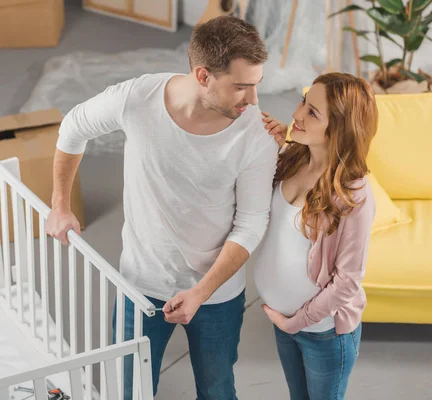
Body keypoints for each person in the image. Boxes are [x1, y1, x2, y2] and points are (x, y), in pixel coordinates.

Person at [46, 15, 279, 400]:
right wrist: (59, 204)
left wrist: (201, 293)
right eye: (241, 87)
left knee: (218, 390)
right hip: (140, 283)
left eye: (256, 86)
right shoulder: (138, 98)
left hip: (216, 294)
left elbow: (251, 223)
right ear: (203, 76)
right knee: (129, 392)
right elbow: (73, 126)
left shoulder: (256, 133)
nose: (253, 101)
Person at [255, 72, 378, 400]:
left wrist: (297, 322)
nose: (296, 114)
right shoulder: (293, 159)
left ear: (338, 128)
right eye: (303, 103)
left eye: (312, 112)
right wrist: (280, 141)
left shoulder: (354, 195)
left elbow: (348, 282)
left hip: (323, 333)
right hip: (283, 323)